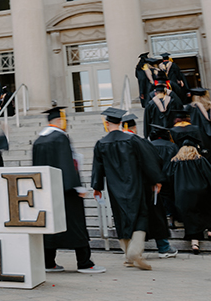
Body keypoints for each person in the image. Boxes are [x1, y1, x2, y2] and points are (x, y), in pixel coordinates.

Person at [32, 106, 104, 274]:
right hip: (67, 191)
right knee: (76, 225)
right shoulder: (60, 138)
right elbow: (67, 163)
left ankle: (49, 262)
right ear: (59, 120)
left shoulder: (39, 140)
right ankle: (84, 262)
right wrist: (77, 186)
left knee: (51, 227)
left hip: (47, 191)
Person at [91, 107, 164, 270]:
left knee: (120, 217)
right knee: (140, 215)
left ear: (106, 123)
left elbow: (98, 167)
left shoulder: (101, 143)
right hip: (135, 184)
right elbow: (147, 161)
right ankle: (134, 251)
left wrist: (97, 187)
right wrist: (156, 179)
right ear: (122, 123)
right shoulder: (132, 140)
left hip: (114, 187)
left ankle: (128, 256)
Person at [123, 114, 177, 259]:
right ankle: (164, 247)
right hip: (145, 187)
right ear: (133, 128)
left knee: (134, 219)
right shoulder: (140, 142)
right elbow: (153, 161)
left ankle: (132, 249)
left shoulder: (112, 143)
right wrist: (157, 180)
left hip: (125, 189)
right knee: (156, 217)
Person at [164, 140, 211, 254]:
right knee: (208, 211)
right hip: (201, 191)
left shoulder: (174, 162)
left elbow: (167, 179)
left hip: (182, 194)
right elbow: (210, 174)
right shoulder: (200, 160)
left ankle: (195, 243)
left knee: (191, 218)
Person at [149, 124, 180, 229]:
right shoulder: (172, 146)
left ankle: (158, 220)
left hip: (154, 177)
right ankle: (171, 219)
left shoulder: (149, 145)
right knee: (170, 197)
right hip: (169, 176)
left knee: (156, 199)